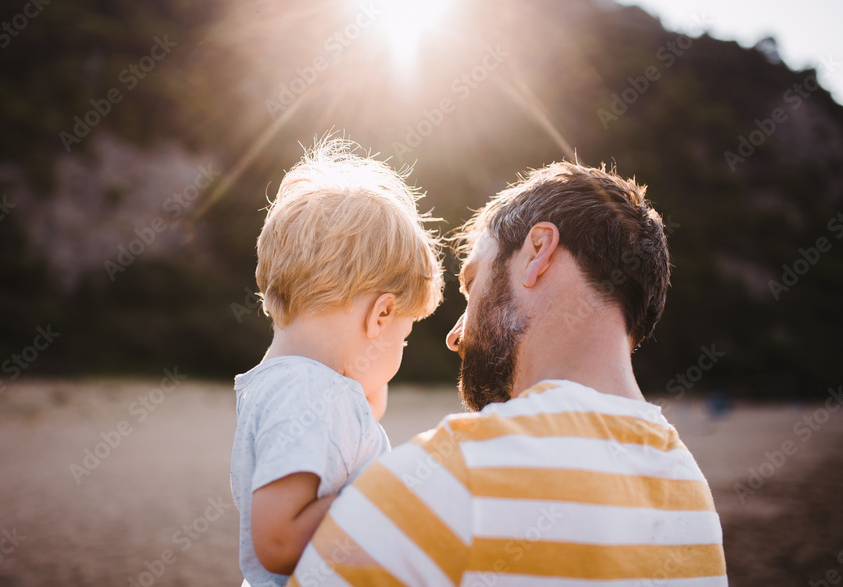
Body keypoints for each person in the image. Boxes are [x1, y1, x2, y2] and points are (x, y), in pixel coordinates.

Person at [288, 161, 728, 586]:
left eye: (471, 283)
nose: (454, 337)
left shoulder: (446, 479)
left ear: (537, 252)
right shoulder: (691, 498)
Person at [230, 138, 444, 587]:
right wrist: (381, 490)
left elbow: (365, 414)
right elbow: (278, 543)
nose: (401, 353)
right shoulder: (308, 395)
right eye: (404, 338)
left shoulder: (307, 387)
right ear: (381, 315)